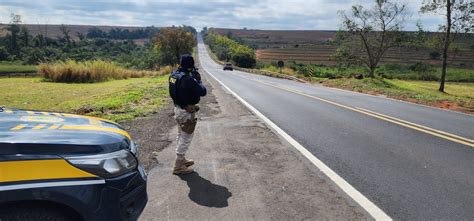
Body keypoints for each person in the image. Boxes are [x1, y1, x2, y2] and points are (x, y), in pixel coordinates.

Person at [169, 54, 207, 175]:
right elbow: (203, 91)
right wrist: (198, 80)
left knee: (181, 135)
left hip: (178, 108)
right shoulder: (188, 79)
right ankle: (178, 166)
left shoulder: (173, 75)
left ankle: (181, 159)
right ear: (190, 65)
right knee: (186, 138)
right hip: (186, 112)